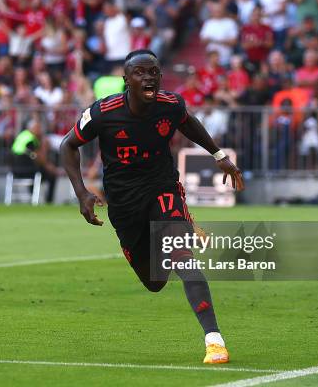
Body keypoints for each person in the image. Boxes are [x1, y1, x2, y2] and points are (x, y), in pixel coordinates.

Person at [60, 50, 244, 364]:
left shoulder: (170, 105)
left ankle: (214, 340)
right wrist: (82, 193)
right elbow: (68, 145)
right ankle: (151, 243)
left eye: (154, 72)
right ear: (126, 80)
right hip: (123, 201)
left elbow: (189, 123)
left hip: (162, 187)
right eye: (140, 73)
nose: (148, 78)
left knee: (182, 255)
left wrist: (218, 155)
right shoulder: (103, 112)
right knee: (155, 282)